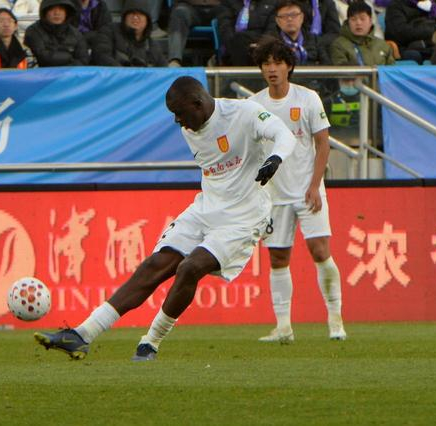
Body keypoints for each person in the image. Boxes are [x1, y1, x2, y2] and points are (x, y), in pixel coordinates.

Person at [34, 75, 297, 361]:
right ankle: (82, 334)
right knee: (155, 265)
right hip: (206, 208)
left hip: (243, 217)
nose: (177, 121)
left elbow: (284, 134)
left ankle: (151, 341)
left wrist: (275, 158)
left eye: (180, 113)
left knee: (189, 268)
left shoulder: (243, 112)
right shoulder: (190, 128)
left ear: (198, 103)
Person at [249, 37, 346, 343]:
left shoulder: (308, 99)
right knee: (278, 258)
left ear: (289, 66)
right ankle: (283, 327)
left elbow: (322, 144)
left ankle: (335, 320)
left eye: (277, 63)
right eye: (266, 64)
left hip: (307, 190)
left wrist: (315, 185)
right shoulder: (254, 105)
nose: (272, 69)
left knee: (320, 251)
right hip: (274, 195)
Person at [94, 0, 166, 66]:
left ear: (147, 21)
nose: (135, 17)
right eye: (132, 13)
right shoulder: (109, 32)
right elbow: (102, 56)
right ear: (124, 17)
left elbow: (164, 70)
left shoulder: (152, 46)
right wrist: (126, 73)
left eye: (140, 14)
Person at [23, 0, 89, 66]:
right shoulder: (33, 31)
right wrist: (68, 57)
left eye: (61, 9)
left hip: (71, 71)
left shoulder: (75, 33)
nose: (57, 13)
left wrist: (67, 69)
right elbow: (42, 57)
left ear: (66, 13)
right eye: (52, 9)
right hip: (41, 71)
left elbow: (83, 60)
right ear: (45, 12)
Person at [330, 0, 394, 65]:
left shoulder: (383, 45)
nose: (358, 23)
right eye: (353, 19)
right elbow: (341, 69)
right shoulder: (339, 45)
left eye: (362, 19)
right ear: (348, 22)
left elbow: (392, 70)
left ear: (370, 21)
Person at [384, 0, 436, 64]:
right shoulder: (396, 5)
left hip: (433, 44)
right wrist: (433, 29)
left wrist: (427, 40)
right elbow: (400, 32)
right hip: (406, 47)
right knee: (414, 55)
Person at [216, 0, 278, 66]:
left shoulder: (273, 2)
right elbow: (225, 27)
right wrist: (233, 45)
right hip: (234, 44)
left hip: (260, 43)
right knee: (239, 40)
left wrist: (261, 45)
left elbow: (272, 29)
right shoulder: (228, 2)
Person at [273, 0, 330, 65]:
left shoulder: (315, 40)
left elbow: (327, 66)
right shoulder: (271, 43)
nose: (289, 19)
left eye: (294, 15)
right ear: (277, 21)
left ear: (302, 17)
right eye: (284, 16)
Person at [167, 0, 220, 66]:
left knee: (228, 14)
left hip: (218, 7)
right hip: (189, 6)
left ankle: (220, 59)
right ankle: (175, 60)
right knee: (179, 12)